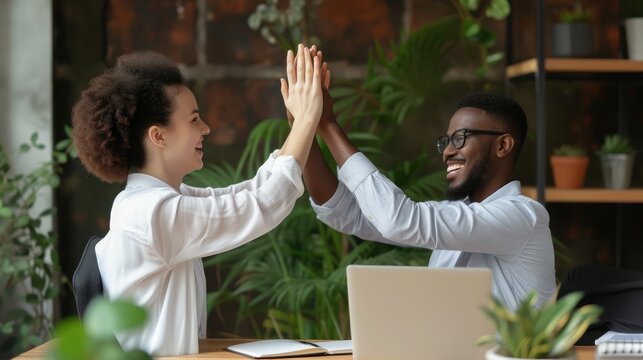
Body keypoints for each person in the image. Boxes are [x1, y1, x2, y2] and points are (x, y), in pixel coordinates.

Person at [71, 44, 322, 355]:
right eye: (193, 120)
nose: (206, 128)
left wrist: (300, 123)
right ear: (158, 136)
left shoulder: (151, 202)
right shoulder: (154, 214)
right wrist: (308, 120)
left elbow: (248, 195)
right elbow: (265, 204)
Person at [293, 74, 556, 310]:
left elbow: (397, 221)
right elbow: (350, 215)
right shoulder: (458, 215)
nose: (448, 151)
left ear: (503, 145)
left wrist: (328, 125)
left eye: (460, 138)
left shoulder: (523, 216)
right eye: (446, 141)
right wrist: (303, 128)